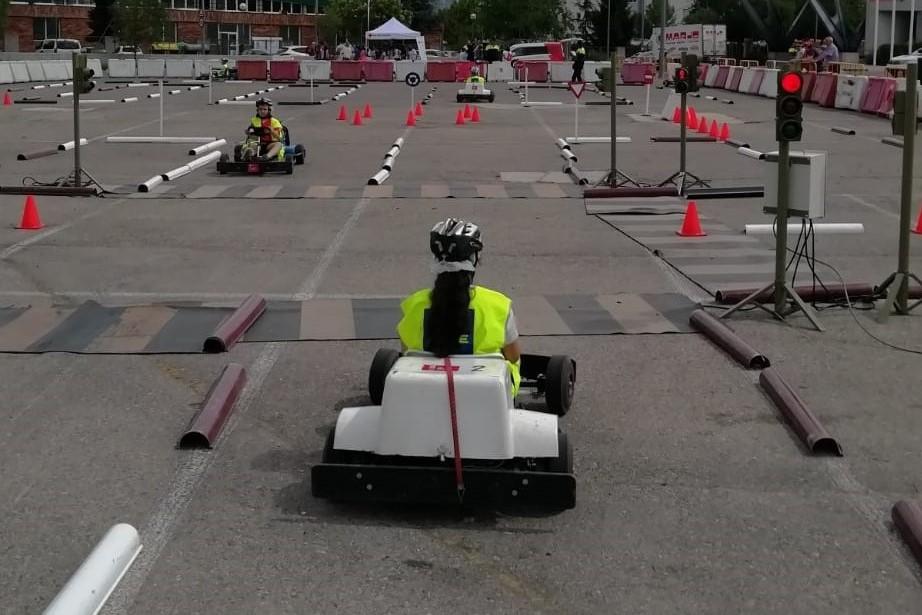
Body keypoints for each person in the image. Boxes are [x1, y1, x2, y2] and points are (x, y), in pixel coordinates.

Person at [397, 218, 522, 396]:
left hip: (422, 392)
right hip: (488, 395)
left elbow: (406, 354)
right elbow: (514, 356)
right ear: (474, 259)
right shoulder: (498, 305)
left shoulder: (414, 305)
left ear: (436, 259)